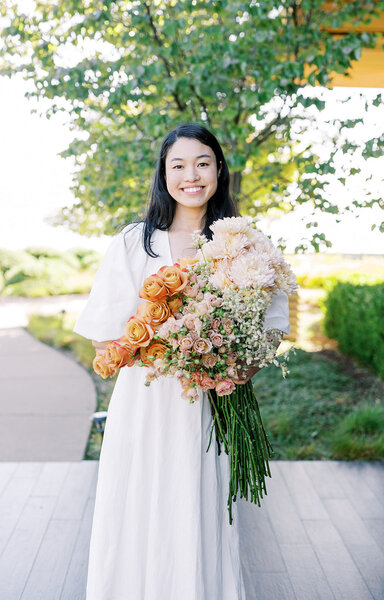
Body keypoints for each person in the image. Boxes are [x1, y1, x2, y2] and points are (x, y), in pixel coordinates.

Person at [73, 123, 290, 599]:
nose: (191, 175)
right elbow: (105, 338)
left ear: (219, 171)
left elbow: (271, 328)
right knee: (138, 505)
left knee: (197, 508)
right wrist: (171, 347)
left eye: (203, 163)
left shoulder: (244, 244)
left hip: (210, 407)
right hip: (145, 405)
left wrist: (231, 364)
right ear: (163, 175)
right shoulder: (137, 242)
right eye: (178, 165)